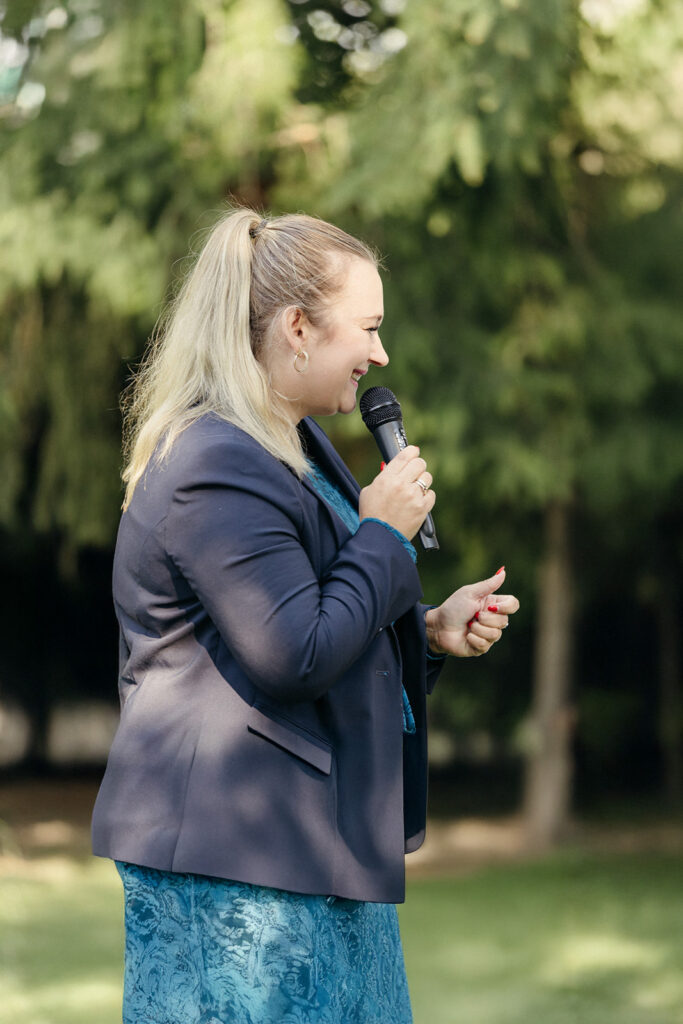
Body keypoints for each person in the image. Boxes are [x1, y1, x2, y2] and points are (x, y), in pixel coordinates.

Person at [91, 207, 520, 1024]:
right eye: (367, 328)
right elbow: (292, 652)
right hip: (236, 870)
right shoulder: (213, 461)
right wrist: (382, 533)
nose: (380, 355)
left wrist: (425, 631)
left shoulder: (294, 443)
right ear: (296, 327)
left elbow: (317, 611)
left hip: (314, 853)